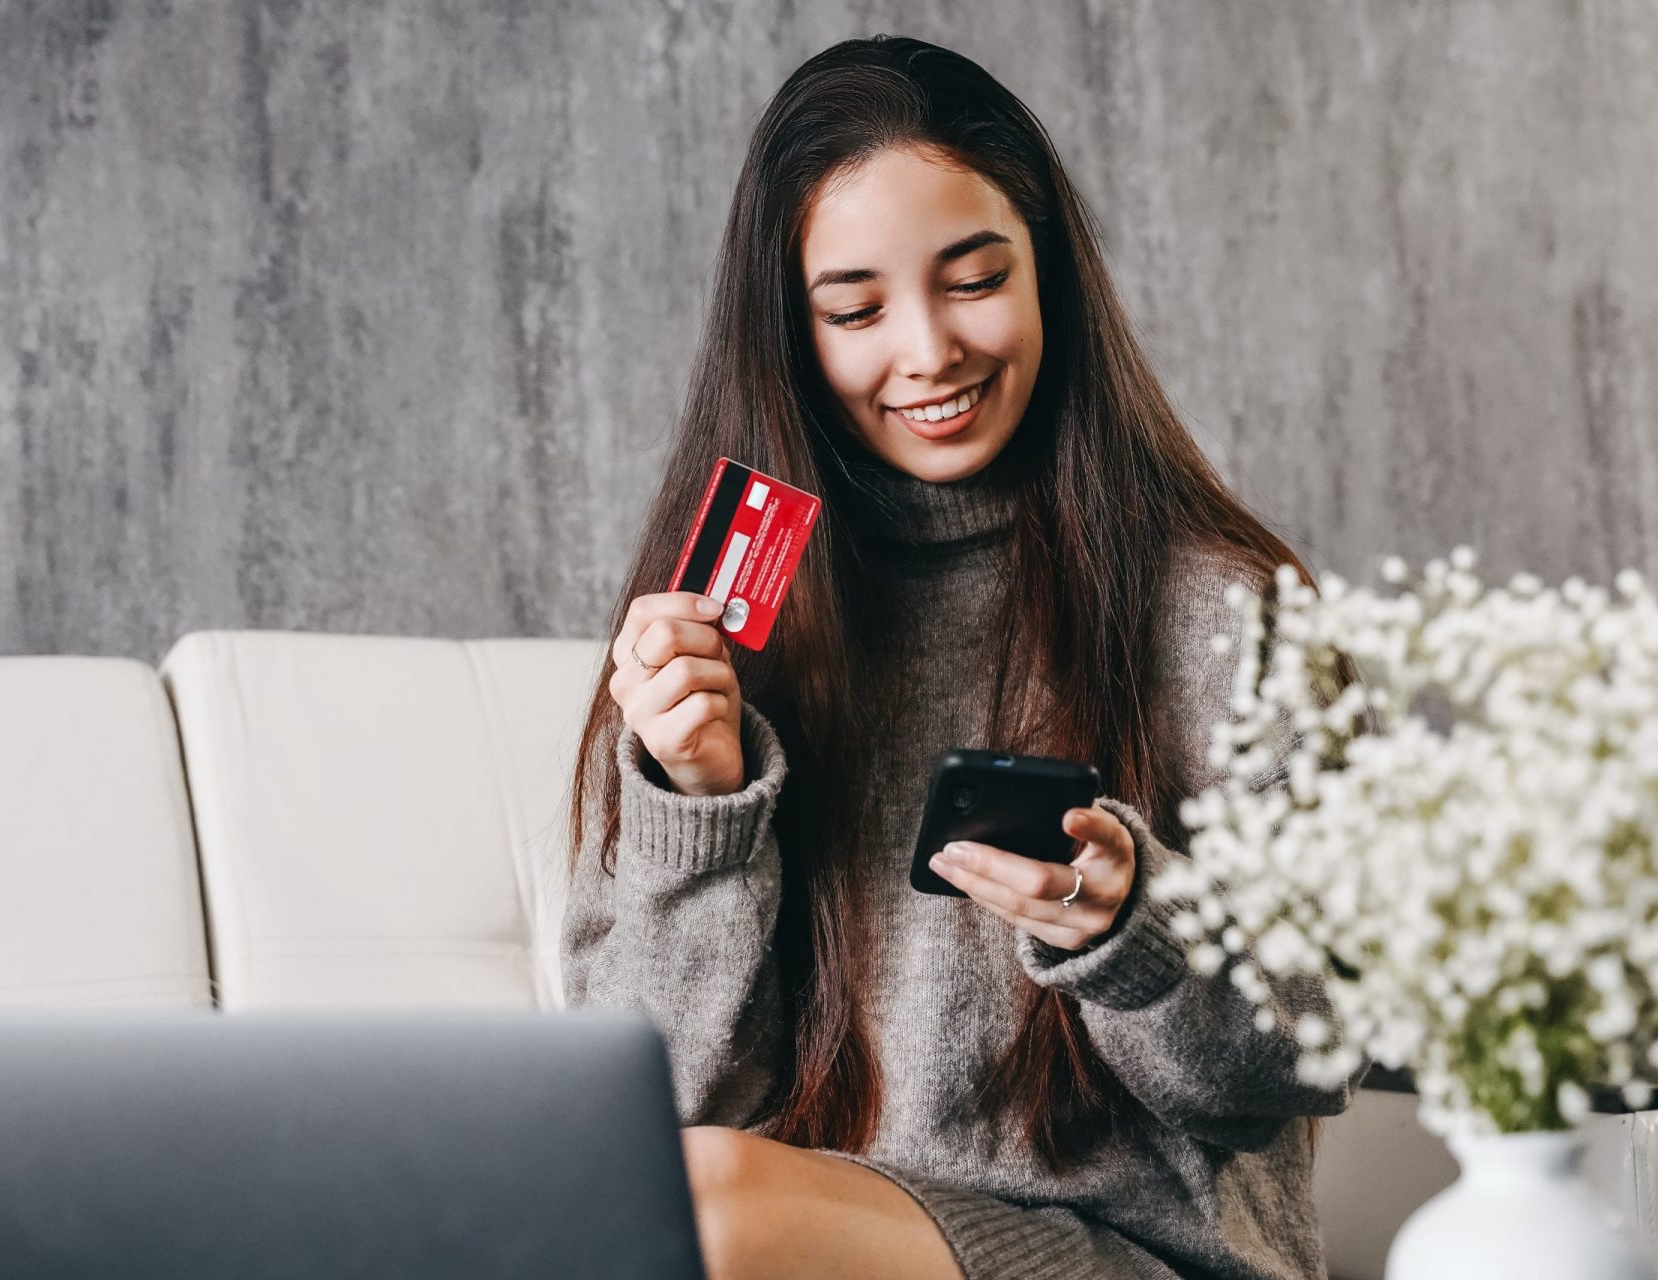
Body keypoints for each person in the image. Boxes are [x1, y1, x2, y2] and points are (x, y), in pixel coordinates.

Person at [561, 34, 1362, 1280]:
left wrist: (1130, 928)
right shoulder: (726, 630)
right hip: (796, 1233)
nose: (926, 349)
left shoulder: (1222, 611)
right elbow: (652, 1100)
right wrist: (701, 806)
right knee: (647, 1199)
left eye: (973, 278)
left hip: (1138, 1251)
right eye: (857, 309)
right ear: (790, 331)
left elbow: (1304, 1053)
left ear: (1049, 274)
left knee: (704, 1208)